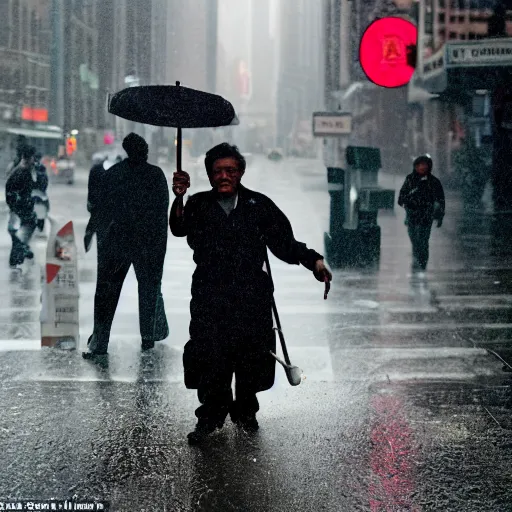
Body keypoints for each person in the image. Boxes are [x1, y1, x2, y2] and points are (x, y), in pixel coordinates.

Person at [169, 142, 333, 444]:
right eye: (217, 171)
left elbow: (285, 244)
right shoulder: (197, 204)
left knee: (249, 357)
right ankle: (211, 415)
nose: (224, 176)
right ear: (209, 174)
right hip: (210, 296)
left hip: (251, 297)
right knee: (211, 358)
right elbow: (179, 229)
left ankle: (245, 411)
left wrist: (314, 261)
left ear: (241, 172)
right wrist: (178, 197)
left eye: (230, 170)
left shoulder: (258, 205)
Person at [83, 133, 170, 358]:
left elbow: (99, 210)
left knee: (106, 293)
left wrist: (94, 233)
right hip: (147, 245)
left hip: (116, 244)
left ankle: (100, 341)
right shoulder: (155, 175)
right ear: (144, 151)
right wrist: (160, 249)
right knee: (149, 291)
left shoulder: (113, 174)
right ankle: (148, 338)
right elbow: (162, 215)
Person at [398, 154, 445, 273]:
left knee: (423, 240)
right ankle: (418, 258)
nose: (422, 168)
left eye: (424, 165)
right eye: (419, 165)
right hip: (412, 215)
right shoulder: (410, 179)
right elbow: (402, 197)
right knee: (415, 239)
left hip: (426, 215)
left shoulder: (434, 182)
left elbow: (440, 200)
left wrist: (440, 217)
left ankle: (422, 263)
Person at [5, 145, 38, 267]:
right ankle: (20, 253)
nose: (34, 161)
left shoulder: (25, 171)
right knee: (21, 231)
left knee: (23, 231)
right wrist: (17, 208)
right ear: (28, 158)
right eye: (33, 158)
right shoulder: (21, 173)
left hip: (22, 209)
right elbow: (11, 193)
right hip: (19, 210)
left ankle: (19, 254)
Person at [33, 152, 50, 233]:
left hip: (32, 196)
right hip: (41, 196)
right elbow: (45, 184)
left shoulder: (30, 168)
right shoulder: (42, 170)